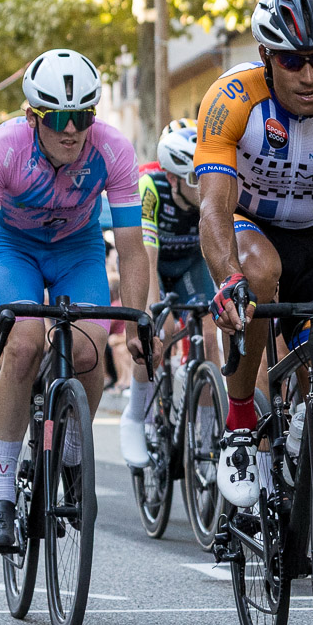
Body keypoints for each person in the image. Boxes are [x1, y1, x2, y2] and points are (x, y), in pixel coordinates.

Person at [197, 0, 313, 515]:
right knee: (258, 272)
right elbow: (214, 209)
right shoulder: (232, 99)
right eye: (294, 61)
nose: (311, 74)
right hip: (251, 228)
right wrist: (229, 280)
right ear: (267, 57)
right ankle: (243, 418)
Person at [0, 49, 149, 551]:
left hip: (78, 252)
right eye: (59, 118)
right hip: (14, 251)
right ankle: (3, 494)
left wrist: (135, 325)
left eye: (84, 116)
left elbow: (132, 249)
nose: (72, 130)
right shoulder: (0, 149)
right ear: (32, 117)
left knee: (90, 349)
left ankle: (71, 454)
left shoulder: (113, 150)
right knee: (24, 346)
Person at [120, 124, 218, 466]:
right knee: (156, 332)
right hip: (156, 263)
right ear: (174, 178)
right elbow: (145, 259)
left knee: (210, 334)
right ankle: (136, 416)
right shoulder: (151, 187)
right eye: (195, 178)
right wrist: (148, 315)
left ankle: (206, 438)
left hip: (191, 264)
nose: (203, 184)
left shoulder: (211, 193)